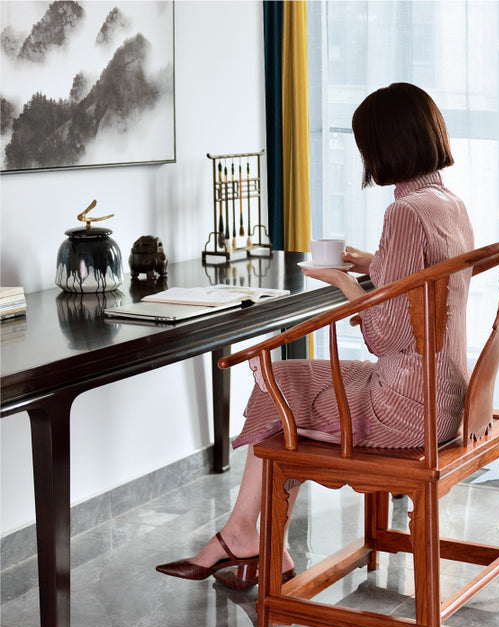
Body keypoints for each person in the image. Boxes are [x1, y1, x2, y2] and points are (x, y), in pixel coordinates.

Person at [156, 82, 475, 590]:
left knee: (276, 387)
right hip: (448, 395)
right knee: (283, 380)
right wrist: (375, 264)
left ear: (383, 147)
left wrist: (343, 282)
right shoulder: (448, 203)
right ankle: (250, 538)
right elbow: (429, 283)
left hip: (407, 410)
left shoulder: (403, 212)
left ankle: (247, 538)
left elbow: (386, 335)